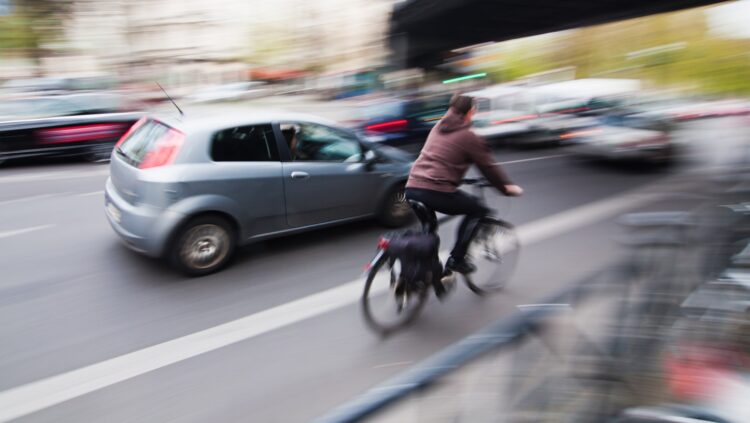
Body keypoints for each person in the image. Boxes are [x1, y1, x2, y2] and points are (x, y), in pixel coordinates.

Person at [405, 93, 523, 274]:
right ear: (470, 112)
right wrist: (506, 188)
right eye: (474, 110)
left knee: (429, 228)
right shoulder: (468, 136)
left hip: (412, 188)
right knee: (478, 210)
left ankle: (424, 272)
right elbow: (488, 167)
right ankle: (456, 259)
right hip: (436, 191)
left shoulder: (438, 127)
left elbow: (439, 158)